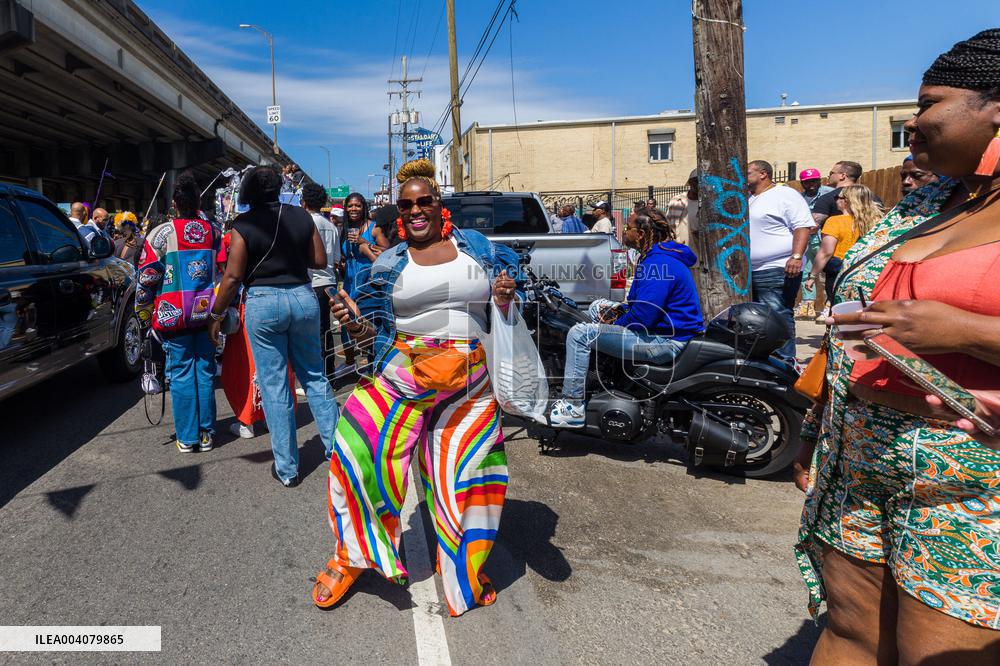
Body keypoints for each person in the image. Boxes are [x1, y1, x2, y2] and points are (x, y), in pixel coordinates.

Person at [794, 29, 1000, 664]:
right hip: (860, 451)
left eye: (930, 102)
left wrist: (965, 332)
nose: (913, 121)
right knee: (852, 631)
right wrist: (816, 422)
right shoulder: (938, 197)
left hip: (971, 476)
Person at [311, 159, 519, 616]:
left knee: (470, 475)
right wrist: (356, 324)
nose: (416, 209)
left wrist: (505, 294)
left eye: (424, 200)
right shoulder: (388, 262)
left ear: (439, 204)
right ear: (398, 212)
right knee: (354, 452)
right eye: (406, 204)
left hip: (469, 381)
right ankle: (352, 556)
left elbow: (507, 290)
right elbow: (374, 333)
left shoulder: (476, 247)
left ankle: (465, 571)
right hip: (404, 373)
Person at [208, 166, 340, 488]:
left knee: (275, 384)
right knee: (314, 375)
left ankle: (287, 468)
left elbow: (233, 276)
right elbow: (320, 261)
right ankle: (339, 452)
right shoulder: (301, 216)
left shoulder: (243, 224)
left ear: (249, 191)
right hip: (302, 296)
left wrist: (215, 315)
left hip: (264, 302)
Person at [549, 207, 704, 427]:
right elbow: (642, 307)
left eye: (629, 228)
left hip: (665, 342)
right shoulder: (659, 255)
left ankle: (572, 406)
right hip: (663, 329)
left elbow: (644, 316)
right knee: (597, 307)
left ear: (641, 234)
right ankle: (602, 372)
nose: (624, 232)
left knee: (579, 334)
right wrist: (613, 314)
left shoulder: (658, 263)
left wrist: (615, 323)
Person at [135, 172, 219, 453]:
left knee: (181, 374)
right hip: (207, 313)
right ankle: (207, 434)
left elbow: (147, 276)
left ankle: (187, 437)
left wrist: (144, 313)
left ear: (174, 203)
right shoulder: (214, 231)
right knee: (205, 371)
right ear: (198, 202)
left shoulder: (162, 233)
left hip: (173, 315)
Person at [746, 159, 815, 366]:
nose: (743, 176)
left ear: (763, 174)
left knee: (778, 313)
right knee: (758, 318)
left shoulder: (784, 194)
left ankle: (785, 361)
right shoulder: (750, 198)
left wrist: (796, 256)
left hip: (777, 267)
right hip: (752, 271)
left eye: (748, 172)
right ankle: (766, 361)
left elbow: (802, 227)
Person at [803, 184, 883, 308]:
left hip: (839, 272)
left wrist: (812, 276)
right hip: (867, 273)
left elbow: (826, 252)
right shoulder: (877, 221)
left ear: (846, 201)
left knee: (838, 309)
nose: (835, 200)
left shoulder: (835, 221)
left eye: (837, 197)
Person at [339, 192, 382, 376]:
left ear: (364, 207)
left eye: (357, 205)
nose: (353, 209)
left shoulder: (373, 228)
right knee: (345, 321)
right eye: (350, 206)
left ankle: (373, 363)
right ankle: (349, 362)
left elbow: (387, 253)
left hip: (368, 280)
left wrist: (365, 243)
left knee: (368, 320)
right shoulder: (344, 229)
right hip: (349, 279)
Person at [302, 182, 340, 380]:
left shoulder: (304, 222)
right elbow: (335, 259)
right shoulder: (331, 226)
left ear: (304, 201)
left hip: (310, 284)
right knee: (326, 330)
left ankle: (318, 377)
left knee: (311, 333)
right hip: (329, 283)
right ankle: (330, 373)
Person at [794, 168, 836, 320]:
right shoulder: (799, 197)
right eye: (807, 182)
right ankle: (808, 306)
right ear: (802, 183)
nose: (811, 184)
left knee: (827, 272)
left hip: (826, 238)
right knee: (806, 271)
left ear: (820, 180)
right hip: (808, 240)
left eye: (814, 181)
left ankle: (830, 305)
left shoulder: (829, 193)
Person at [811, 160, 873, 227]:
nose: (828, 176)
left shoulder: (826, 199)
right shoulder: (871, 197)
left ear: (842, 176)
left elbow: (813, 227)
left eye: (831, 173)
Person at [665, 170, 699, 246]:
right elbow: (667, 225)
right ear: (690, 182)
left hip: (699, 249)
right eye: (696, 181)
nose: (698, 184)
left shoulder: (707, 204)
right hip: (678, 249)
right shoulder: (677, 201)